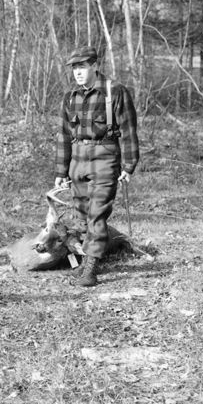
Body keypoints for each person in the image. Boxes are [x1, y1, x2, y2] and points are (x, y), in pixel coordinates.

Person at [54, 46, 139, 287]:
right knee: (80, 215)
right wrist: (61, 171)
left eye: (82, 67)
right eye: (74, 69)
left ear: (94, 66)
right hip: (77, 160)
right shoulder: (70, 96)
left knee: (97, 214)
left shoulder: (115, 91)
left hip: (105, 156)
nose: (78, 73)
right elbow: (62, 135)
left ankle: (91, 269)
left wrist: (129, 165)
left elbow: (129, 130)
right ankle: (83, 263)